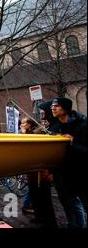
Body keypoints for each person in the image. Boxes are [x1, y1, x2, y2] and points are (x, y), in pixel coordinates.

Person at [50, 97, 87, 228]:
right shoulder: (55, 127)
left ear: (66, 108)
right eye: (52, 106)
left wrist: (72, 144)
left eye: (57, 106)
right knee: (69, 204)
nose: (52, 108)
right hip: (62, 175)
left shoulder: (83, 125)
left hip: (81, 174)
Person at [20, 117, 57, 228]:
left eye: (24, 123)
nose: (21, 125)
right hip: (31, 172)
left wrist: (24, 134)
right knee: (34, 196)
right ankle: (38, 216)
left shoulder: (38, 133)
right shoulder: (27, 133)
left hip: (41, 172)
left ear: (30, 124)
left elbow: (30, 146)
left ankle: (49, 220)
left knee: (45, 198)